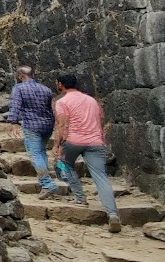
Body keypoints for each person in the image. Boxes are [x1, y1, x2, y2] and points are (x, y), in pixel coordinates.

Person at [50, 73, 121, 233]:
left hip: (74, 141)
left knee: (65, 165)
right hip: (96, 142)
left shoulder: (62, 102)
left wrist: (58, 145)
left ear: (60, 84)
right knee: (101, 177)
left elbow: (62, 125)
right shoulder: (92, 101)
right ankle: (112, 213)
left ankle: (80, 198)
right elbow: (99, 120)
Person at [3, 66, 58, 196]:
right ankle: (45, 182)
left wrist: (12, 122)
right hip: (48, 125)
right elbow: (52, 108)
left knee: (35, 154)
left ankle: (47, 183)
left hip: (32, 125)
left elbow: (15, 105)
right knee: (42, 152)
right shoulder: (46, 89)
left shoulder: (19, 88)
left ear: (20, 75)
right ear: (33, 74)